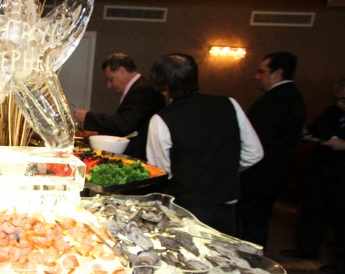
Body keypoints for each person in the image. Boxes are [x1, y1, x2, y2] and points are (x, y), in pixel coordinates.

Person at [146, 53, 263, 235]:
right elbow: (254, 152)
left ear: (164, 86)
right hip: (227, 200)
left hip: (187, 205)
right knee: (225, 258)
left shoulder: (161, 119)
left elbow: (160, 170)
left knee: (191, 258)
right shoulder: (229, 104)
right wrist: (224, 170)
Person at [282, 76, 345, 274]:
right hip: (321, 170)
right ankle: (307, 249)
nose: (341, 103)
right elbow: (315, 130)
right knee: (312, 212)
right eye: (338, 99)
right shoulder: (332, 112)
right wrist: (306, 134)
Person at [237, 52, 306, 246]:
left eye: (261, 72)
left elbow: (256, 141)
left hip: (260, 173)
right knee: (257, 220)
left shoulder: (275, 100)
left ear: (278, 73)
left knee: (252, 222)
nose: (256, 77)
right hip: (277, 172)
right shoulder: (294, 97)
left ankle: (249, 264)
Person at [73, 52, 165, 160]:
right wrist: (98, 132)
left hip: (141, 156)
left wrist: (87, 116)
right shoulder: (137, 88)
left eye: (110, 79)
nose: (109, 85)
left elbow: (124, 124)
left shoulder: (145, 90)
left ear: (122, 71)